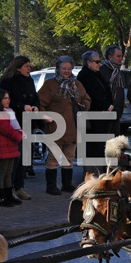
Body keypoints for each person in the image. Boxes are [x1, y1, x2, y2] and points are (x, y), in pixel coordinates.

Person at [38, 56, 91, 194]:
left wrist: (83, 107)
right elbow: (40, 103)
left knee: (69, 157)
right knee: (53, 157)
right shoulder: (50, 85)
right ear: (58, 69)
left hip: (73, 126)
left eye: (69, 69)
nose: (66, 71)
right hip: (55, 126)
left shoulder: (77, 84)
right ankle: (51, 186)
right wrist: (45, 116)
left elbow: (86, 99)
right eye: (64, 69)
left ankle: (66, 184)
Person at [0, 56, 40, 202]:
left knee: (25, 157)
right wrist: (21, 106)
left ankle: (20, 187)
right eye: (26, 66)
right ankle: (9, 188)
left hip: (27, 121)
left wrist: (36, 105)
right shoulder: (8, 82)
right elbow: (5, 101)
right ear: (18, 67)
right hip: (14, 121)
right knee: (14, 158)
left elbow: (35, 95)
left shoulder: (30, 80)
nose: (29, 68)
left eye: (29, 65)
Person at [77, 50, 113, 174]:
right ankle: (92, 173)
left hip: (102, 115)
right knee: (92, 146)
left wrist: (109, 104)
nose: (99, 64)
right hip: (92, 117)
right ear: (88, 62)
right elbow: (92, 94)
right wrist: (106, 105)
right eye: (97, 61)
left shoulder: (97, 74)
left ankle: (100, 171)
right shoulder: (84, 76)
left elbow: (105, 90)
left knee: (100, 146)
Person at [0, 88, 24, 207]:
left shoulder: (8, 112)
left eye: (8, 97)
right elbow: (7, 129)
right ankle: (0, 197)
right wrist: (19, 136)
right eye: (5, 98)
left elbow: (14, 127)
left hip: (10, 146)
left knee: (8, 172)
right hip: (2, 146)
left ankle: (8, 194)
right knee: (1, 172)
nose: (8, 99)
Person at [98, 45, 127, 139]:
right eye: (118, 56)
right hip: (105, 112)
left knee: (115, 141)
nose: (121, 59)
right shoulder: (101, 71)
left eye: (121, 56)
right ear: (110, 57)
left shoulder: (117, 71)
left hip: (116, 112)